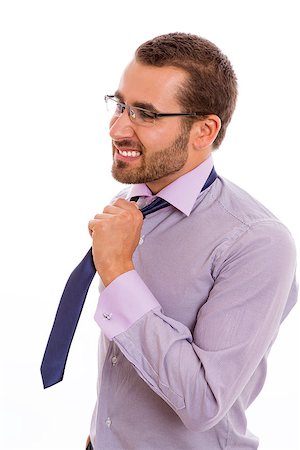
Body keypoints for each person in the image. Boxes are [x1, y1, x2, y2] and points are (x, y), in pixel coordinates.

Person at [85, 32, 298, 450]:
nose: (117, 127)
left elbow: (203, 403)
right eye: (120, 104)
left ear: (204, 130)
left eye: (145, 114)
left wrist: (118, 271)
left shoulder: (258, 243)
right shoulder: (131, 205)